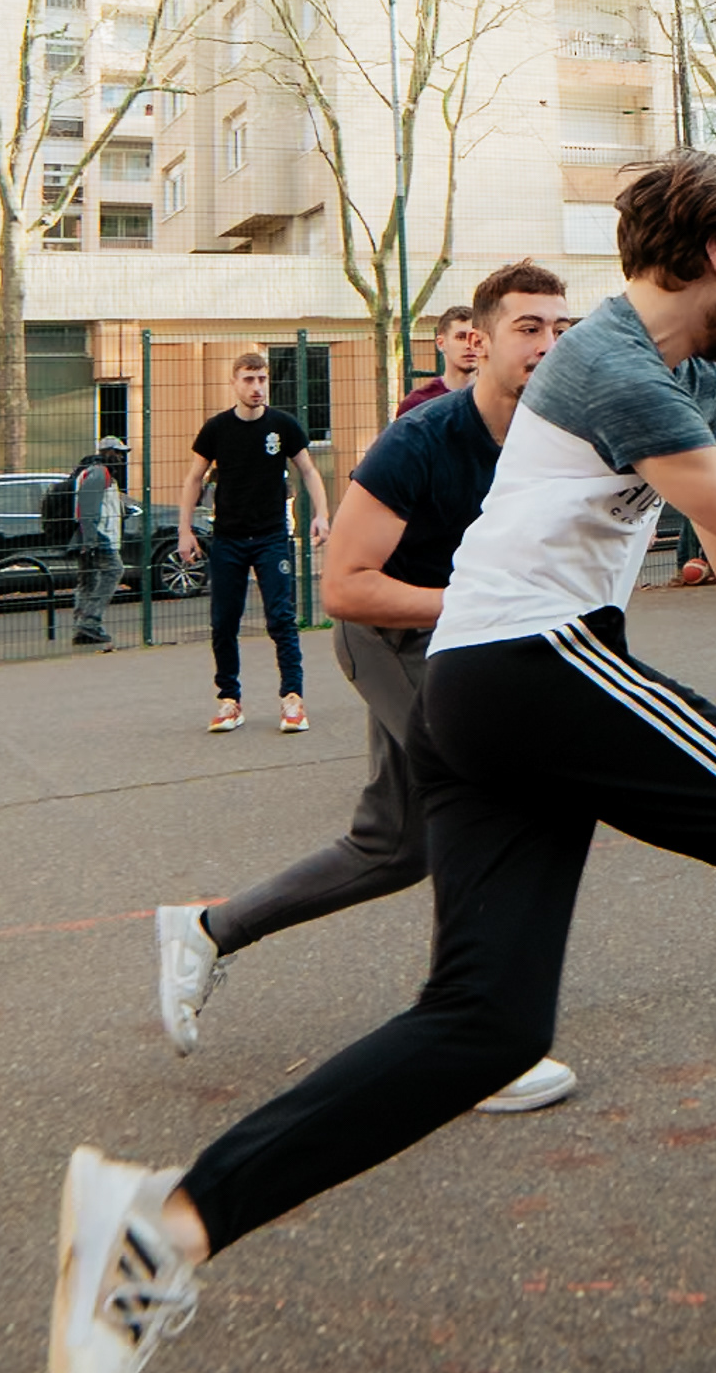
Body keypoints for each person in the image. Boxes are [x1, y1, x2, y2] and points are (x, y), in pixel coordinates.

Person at [49, 153, 716, 1373]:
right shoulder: (611, 365)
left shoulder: (684, 372)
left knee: (486, 1023)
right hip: (535, 659)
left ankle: (164, 1227)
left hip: (479, 688)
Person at [154, 259, 578, 1116]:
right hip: (388, 637)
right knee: (483, 796)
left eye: (561, 330)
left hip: (463, 643)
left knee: (394, 848)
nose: (547, 345)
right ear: (478, 340)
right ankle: (474, 1037)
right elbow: (345, 589)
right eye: (528, 328)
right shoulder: (421, 438)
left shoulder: (553, 436)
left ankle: (206, 930)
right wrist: (481, 606)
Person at [177, 353, 332, 734]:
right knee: (223, 622)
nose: (257, 387)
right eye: (249, 379)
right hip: (228, 539)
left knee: (281, 618)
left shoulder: (283, 426)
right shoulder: (216, 429)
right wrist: (185, 530)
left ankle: (292, 699)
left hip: (271, 537)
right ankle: (229, 701)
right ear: (234, 383)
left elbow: (308, 470)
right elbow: (194, 479)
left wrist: (322, 514)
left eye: (262, 379)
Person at [70, 436, 128, 648]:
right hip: (99, 537)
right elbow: (88, 508)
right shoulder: (99, 473)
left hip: (90, 536)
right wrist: (91, 540)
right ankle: (90, 621)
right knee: (114, 571)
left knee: (89, 580)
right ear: (107, 452)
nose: (121, 457)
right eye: (118, 452)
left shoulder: (98, 473)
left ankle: (82, 626)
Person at [394, 305, 476, 415]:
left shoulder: (497, 400)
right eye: (461, 337)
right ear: (441, 343)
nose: (469, 345)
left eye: (475, 338)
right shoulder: (417, 405)